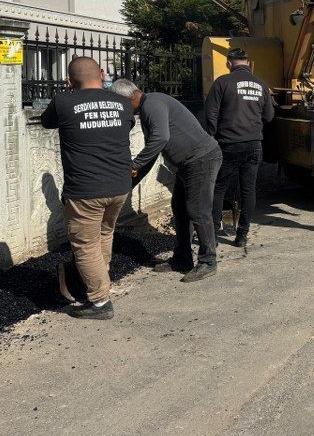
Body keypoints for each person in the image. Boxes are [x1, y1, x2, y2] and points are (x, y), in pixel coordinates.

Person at [41, 57, 133, 320]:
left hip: (85, 190)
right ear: (103, 75)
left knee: (85, 245)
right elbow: (127, 126)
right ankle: (97, 282)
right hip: (119, 186)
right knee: (104, 235)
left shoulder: (63, 101)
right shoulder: (122, 103)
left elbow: (47, 122)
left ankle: (100, 302)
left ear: (69, 81)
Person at [110, 79, 222, 282]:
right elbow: (153, 153)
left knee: (197, 210)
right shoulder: (149, 108)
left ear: (128, 99)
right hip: (188, 164)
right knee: (180, 207)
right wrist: (130, 182)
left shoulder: (152, 104)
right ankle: (182, 258)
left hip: (201, 159)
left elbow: (160, 138)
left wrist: (134, 165)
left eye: (120, 104)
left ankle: (208, 261)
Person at [204, 48, 274, 248]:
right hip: (254, 144)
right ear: (248, 62)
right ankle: (242, 235)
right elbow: (269, 116)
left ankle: (214, 233)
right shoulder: (261, 85)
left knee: (219, 187)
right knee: (248, 190)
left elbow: (210, 115)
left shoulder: (222, 82)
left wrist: (213, 137)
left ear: (229, 63)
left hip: (228, 144)